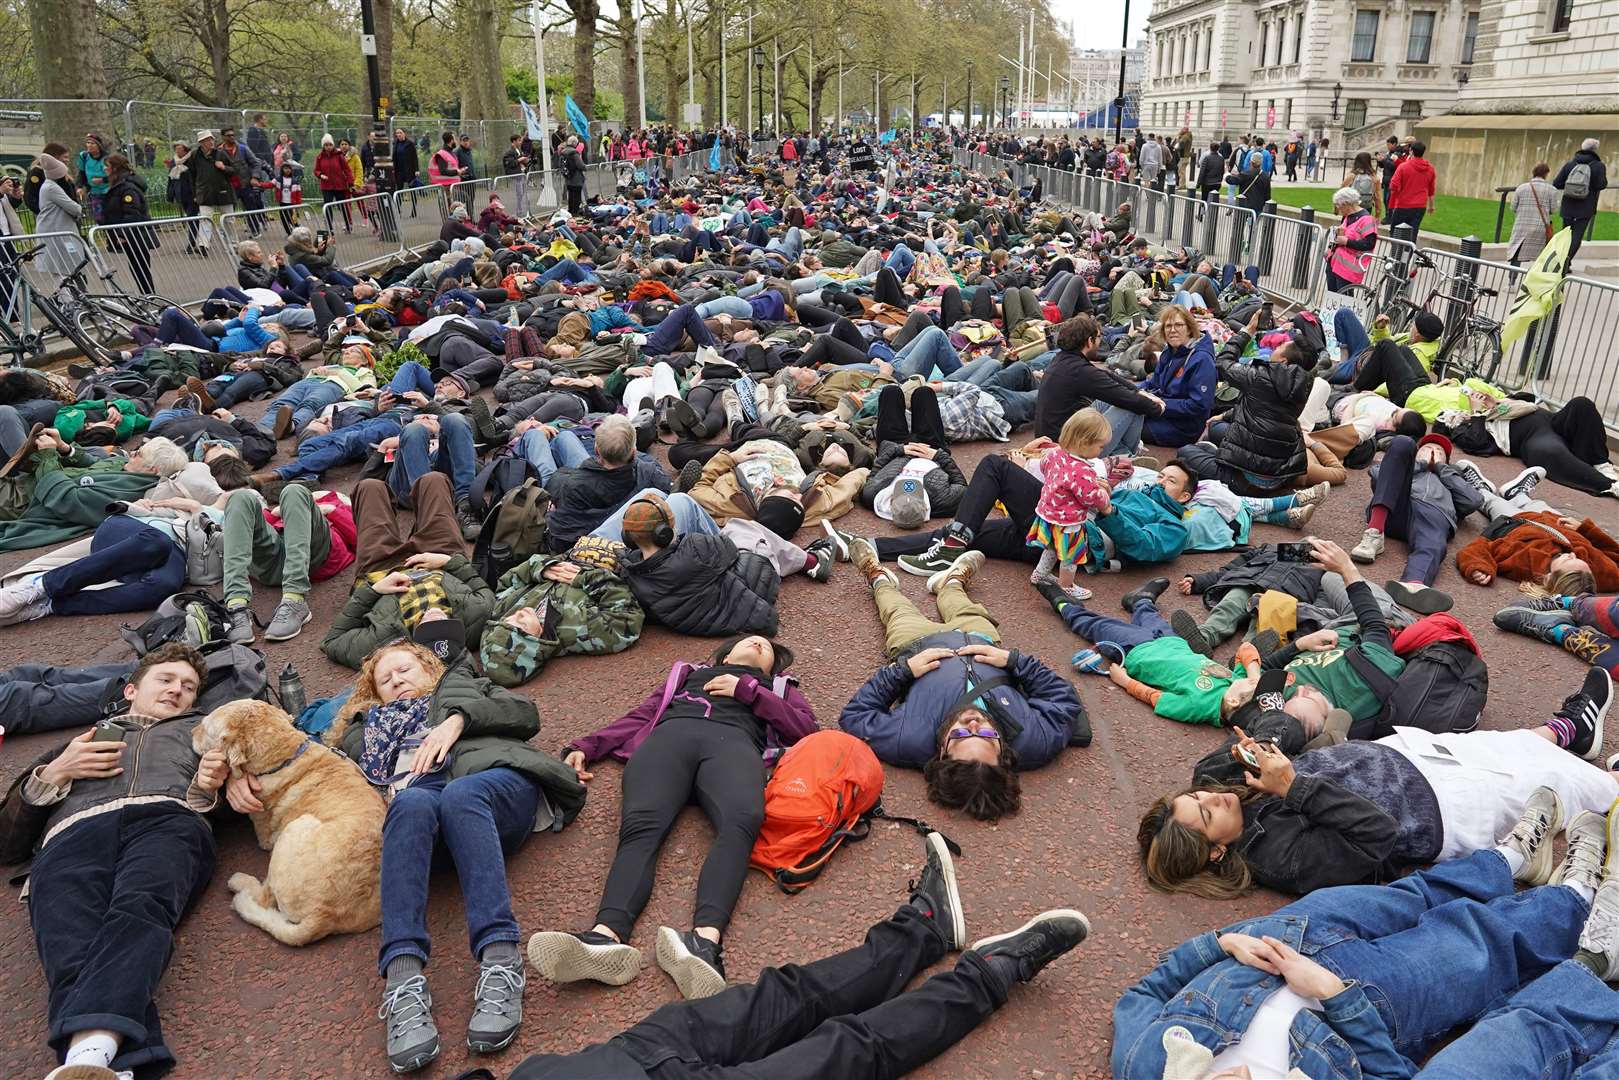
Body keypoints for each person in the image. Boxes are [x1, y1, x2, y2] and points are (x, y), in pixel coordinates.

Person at [512, 836, 1089, 1080]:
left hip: (625, 1056)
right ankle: (991, 974)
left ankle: (924, 929)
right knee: (851, 1049)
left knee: (790, 994)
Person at [1114, 819, 1609, 1079]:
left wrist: (1220, 942)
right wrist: (1336, 997)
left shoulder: (1143, 1064)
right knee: (1473, 945)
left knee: (1408, 895)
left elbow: (1144, 993)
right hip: (1366, 998)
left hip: (1276, 937)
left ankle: (1506, 861)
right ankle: (1576, 899)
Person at [321, 636, 586, 1072]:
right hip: (426, 811)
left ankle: (500, 960)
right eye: (385, 680)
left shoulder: (464, 686)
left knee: (461, 794)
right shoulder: (362, 732)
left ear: (429, 669)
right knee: (408, 803)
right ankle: (403, 982)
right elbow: (298, 758)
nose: (396, 680)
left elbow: (525, 715)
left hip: (493, 785)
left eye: (405, 669)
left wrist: (457, 720)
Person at [1136, 663, 1616, 899]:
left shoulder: (1222, 782)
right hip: (1444, 809)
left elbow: (1267, 735)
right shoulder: (1276, 859)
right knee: (1571, 787)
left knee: (1511, 743)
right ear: (1216, 851)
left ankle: (1572, 731)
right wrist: (1291, 787)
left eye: (1197, 797)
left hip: (1404, 755)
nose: (1212, 798)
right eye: (1205, 812)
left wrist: (1263, 734)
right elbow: (1378, 833)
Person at [528, 635, 812, 1000]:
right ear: (724, 654)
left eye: (769, 648)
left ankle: (704, 945)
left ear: (774, 667)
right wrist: (585, 746)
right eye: (750, 640)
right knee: (639, 828)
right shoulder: (688, 674)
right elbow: (643, 715)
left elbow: (806, 731)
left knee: (742, 821)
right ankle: (605, 937)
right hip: (669, 741)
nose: (759, 644)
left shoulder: (777, 689)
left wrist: (750, 692)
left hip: (735, 746)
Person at [0, 644, 226, 1080]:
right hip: (71, 832)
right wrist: (52, 774)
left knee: (141, 908)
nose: (177, 690)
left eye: (189, 687)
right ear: (130, 689)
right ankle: (113, 1065)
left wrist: (209, 788)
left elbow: (244, 803)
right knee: (68, 938)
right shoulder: (79, 743)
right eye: (165, 679)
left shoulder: (204, 733)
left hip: (166, 817)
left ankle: (86, 1059)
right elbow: (7, 842)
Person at [839, 538, 1086, 819]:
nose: (973, 724)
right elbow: (1064, 700)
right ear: (1004, 754)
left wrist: (904, 671)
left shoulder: (907, 739)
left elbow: (856, 716)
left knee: (895, 608)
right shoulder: (1033, 742)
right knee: (961, 603)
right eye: (987, 736)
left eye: (959, 735)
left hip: (916, 642)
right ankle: (952, 582)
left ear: (942, 754)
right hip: (980, 638)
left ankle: (877, 575)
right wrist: (1014, 661)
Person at [320, 474, 494, 669]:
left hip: (381, 570)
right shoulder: (477, 620)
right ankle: (406, 489)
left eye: (427, 629)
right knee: (434, 480)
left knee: (369, 487)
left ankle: (393, 490)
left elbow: (332, 641)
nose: (434, 617)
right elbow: (485, 594)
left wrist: (374, 590)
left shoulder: (384, 644)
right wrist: (450, 561)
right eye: (444, 625)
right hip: (438, 560)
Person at [1350, 432, 1482, 613]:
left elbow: (1472, 500)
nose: (1433, 452)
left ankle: (1413, 584)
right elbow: (1377, 474)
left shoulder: (1450, 476)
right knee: (1403, 441)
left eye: (1439, 451)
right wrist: (1420, 464)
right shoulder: (1409, 467)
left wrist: (1442, 468)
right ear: (1417, 453)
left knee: (1433, 540)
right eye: (1427, 449)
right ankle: (1374, 532)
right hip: (1396, 507)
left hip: (1433, 513)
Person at [1033, 314, 1162, 452]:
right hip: (1066, 449)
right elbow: (1129, 399)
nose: (1100, 342)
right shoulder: (1079, 371)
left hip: (1056, 438)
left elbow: (1105, 375)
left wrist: (1138, 390)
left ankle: (1120, 451)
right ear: (1089, 341)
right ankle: (1127, 454)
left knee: (1127, 398)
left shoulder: (1063, 359)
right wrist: (1157, 407)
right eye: (1099, 337)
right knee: (1133, 405)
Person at [1027, 408, 1112, 599]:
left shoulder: (1054, 453)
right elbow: (1090, 498)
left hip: (1048, 512)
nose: (1102, 450)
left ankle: (1039, 574)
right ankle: (1066, 585)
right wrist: (1104, 495)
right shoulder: (1081, 470)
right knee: (1070, 555)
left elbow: (1043, 466)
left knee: (1051, 546)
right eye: (1100, 446)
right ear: (1084, 443)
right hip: (1069, 520)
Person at [1137, 305, 1216, 448]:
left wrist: (1159, 404)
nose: (1172, 330)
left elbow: (1198, 406)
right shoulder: (1170, 351)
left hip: (1183, 428)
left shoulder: (1202, 359)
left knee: (1128, 428)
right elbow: (1153, 383)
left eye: (1178, 325)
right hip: (1162, 414)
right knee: (1124, 409)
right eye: (1168, 326)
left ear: (1190, 328)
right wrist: (1133, 391)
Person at [99, 153, 156, 296]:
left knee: (140, 267)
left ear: (115, 168)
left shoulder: (128, 188)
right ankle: (147, 295)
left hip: (136, 236)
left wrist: (124, 234)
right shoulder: (119, 185)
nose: (105, 169)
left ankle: (149, 296)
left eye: (107, 166)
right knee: (137, 266)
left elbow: (133, 214)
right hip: (132, 235)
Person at [1553, 137, 1609, 261]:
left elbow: (1557, 183)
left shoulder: (1570, 164)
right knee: (1577, 236)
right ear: (1595, 150)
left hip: (1568, 205)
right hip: (1586, 207)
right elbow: (1602, 185)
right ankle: (1566, 261)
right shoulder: (1599, 166)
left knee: (1565, 234)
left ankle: (1559, 260)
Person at [1325, 186, 1377, 294]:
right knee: (1332, 297)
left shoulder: (1367, 220)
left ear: (1347, 204)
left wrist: (1347, 242)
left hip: (1348, 270)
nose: (1338, 209)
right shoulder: (1347, 217)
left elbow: (1369, 243)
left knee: (1344, 300)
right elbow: (1340, 237)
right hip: (1334, 264)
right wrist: (1330, 250)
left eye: (1339, 206)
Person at [1508, 161, 1560, 266]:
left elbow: (1513, 207)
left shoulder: (1521, 188)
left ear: (1533, 173)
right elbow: (1554, 210)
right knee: (1540, 255)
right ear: (1546, 174)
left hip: (1521, 226)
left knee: (1517, 253)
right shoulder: (1552, 190)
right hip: (1540, 227)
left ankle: (1512, 279)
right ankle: (1533, 279)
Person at [1387, 140, 1436, 235]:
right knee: (1412, 233)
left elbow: (1393, 186)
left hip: (1403, 204)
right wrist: (1431, 206)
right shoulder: (1430, 169)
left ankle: (1395, 250)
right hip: (1420, 206)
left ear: (1411, 151)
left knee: (1396, 233)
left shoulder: (1403, 167)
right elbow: (1431, 189)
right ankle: (1410, 250)